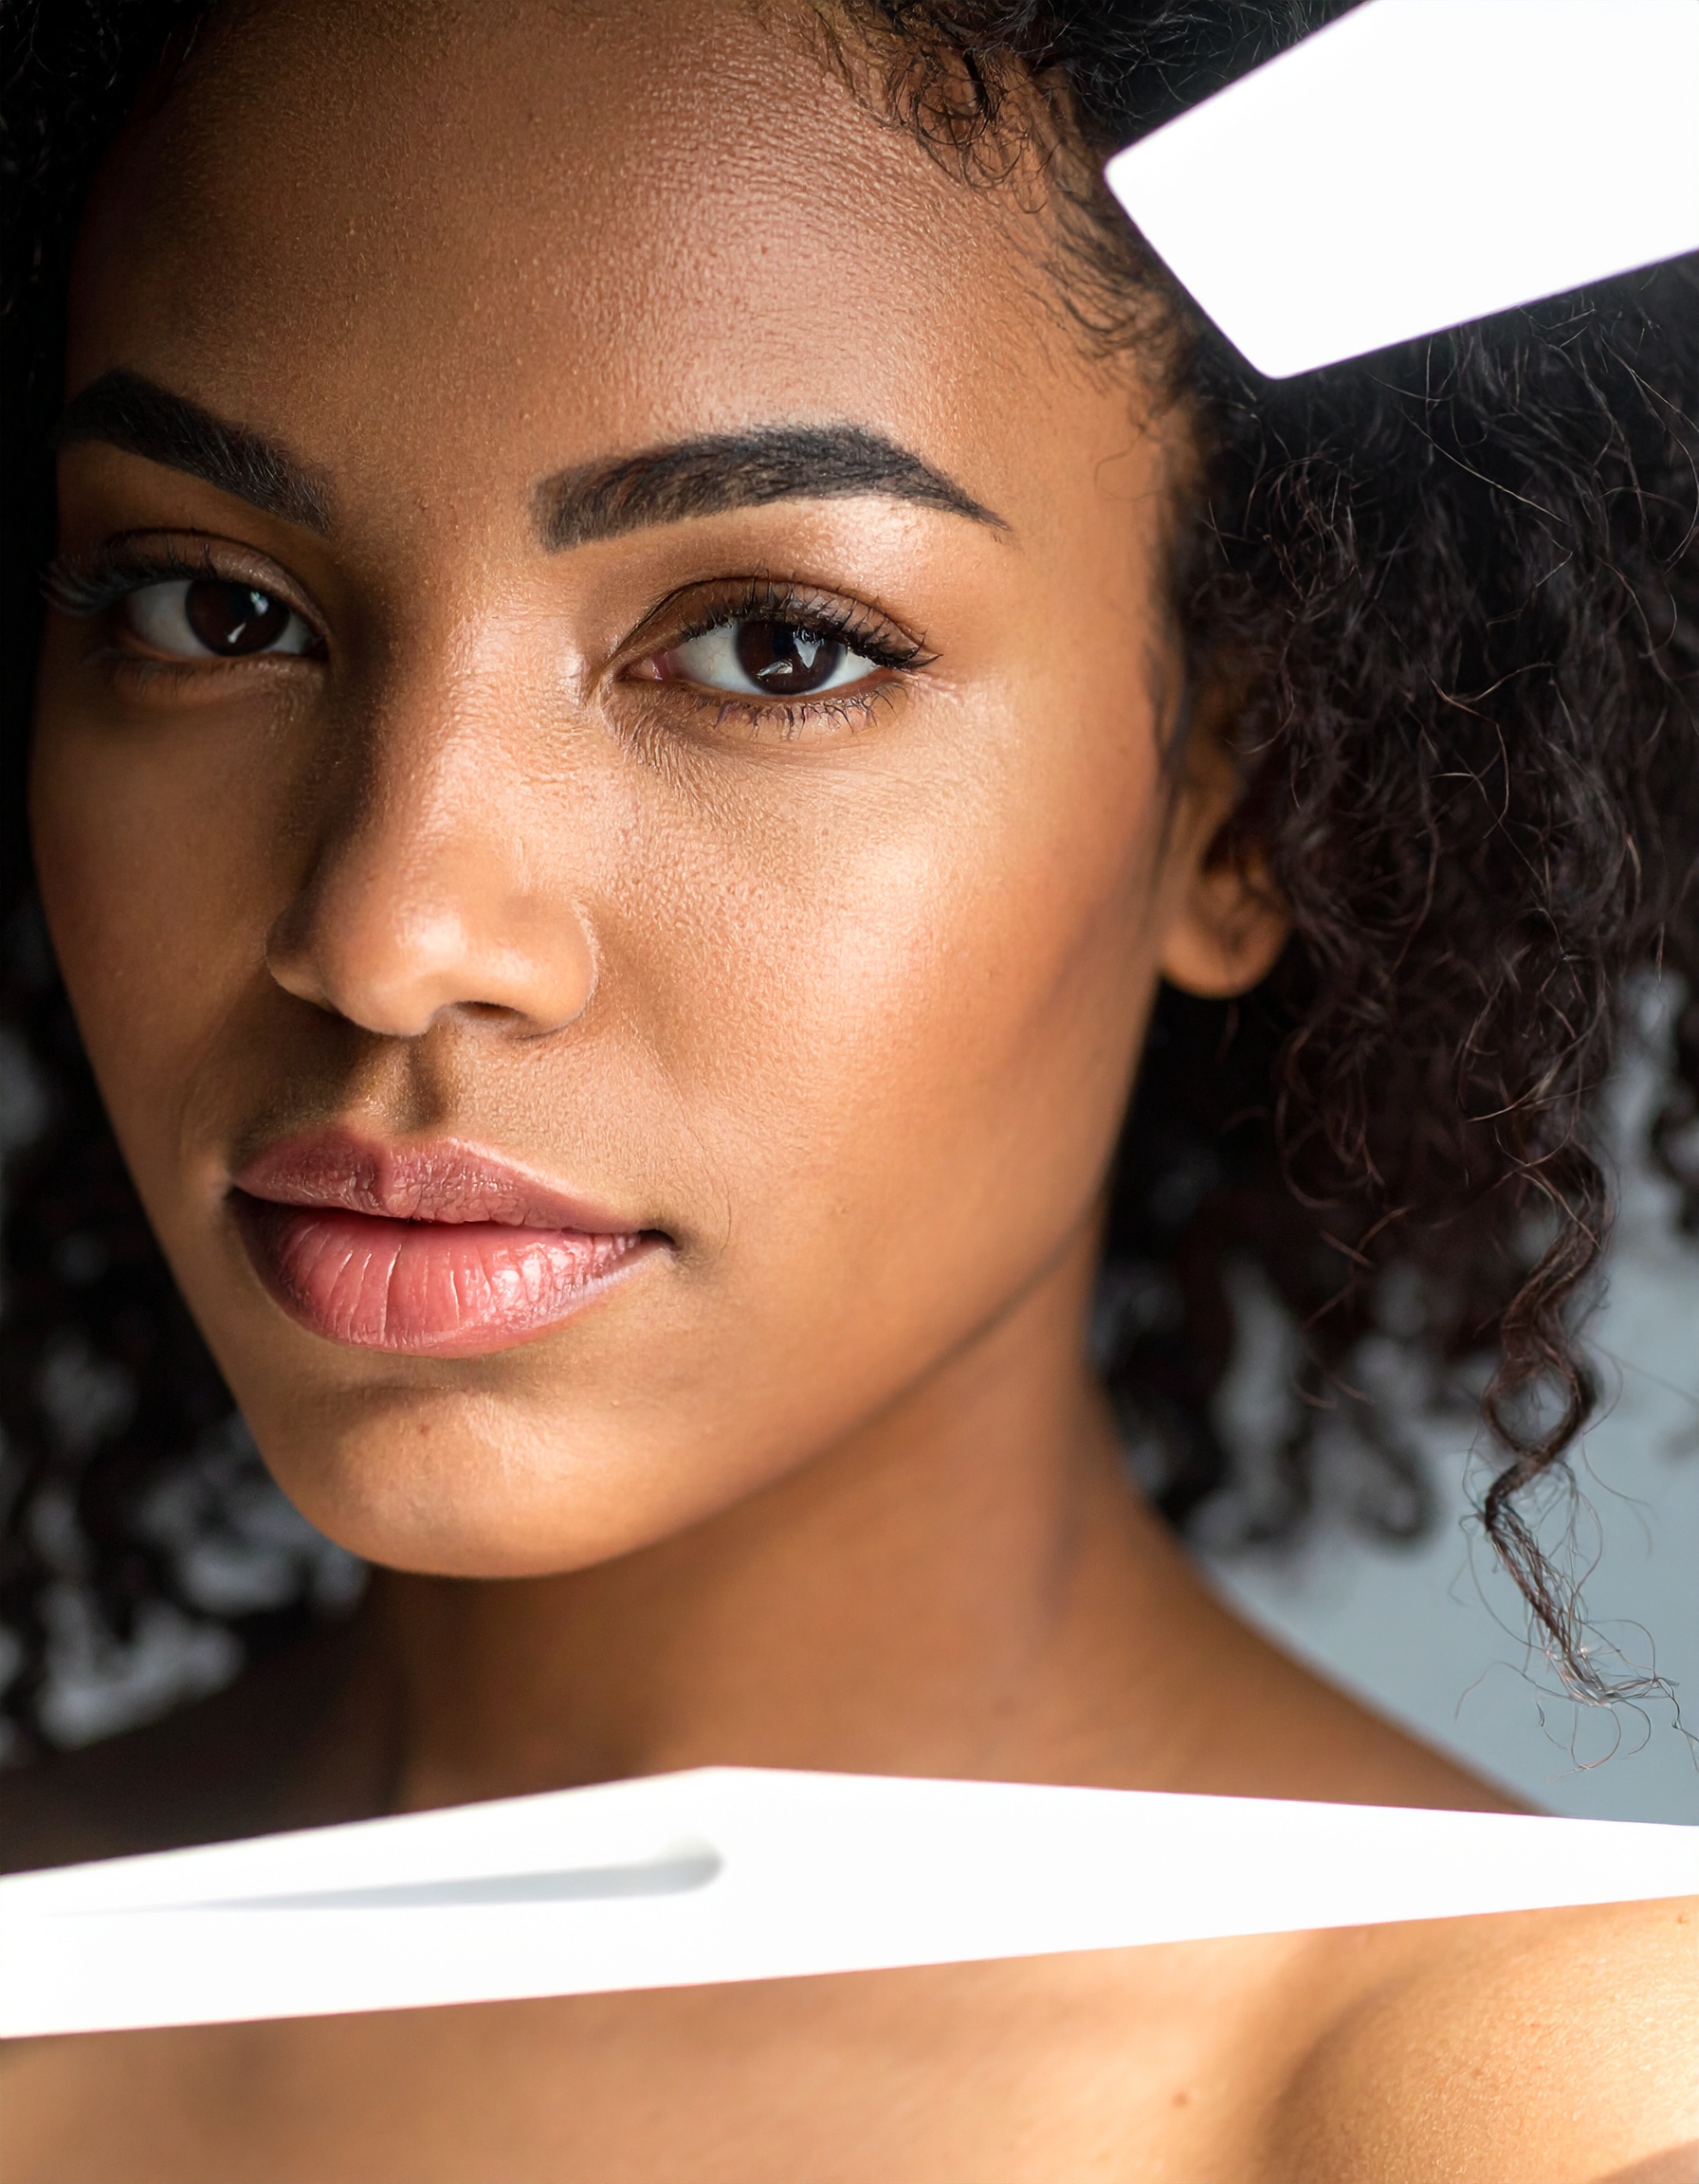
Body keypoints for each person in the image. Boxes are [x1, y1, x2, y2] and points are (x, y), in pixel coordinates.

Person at [1, 2, 1694, 2176]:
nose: (390, 929)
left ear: (1238, 804)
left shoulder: (1524, 2115)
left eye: (771, 648)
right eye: (212, 608)